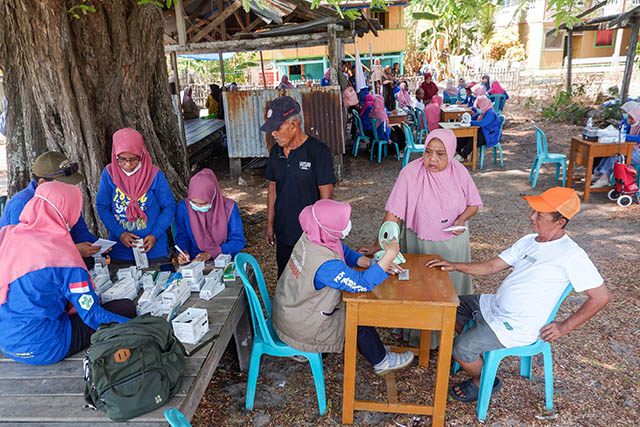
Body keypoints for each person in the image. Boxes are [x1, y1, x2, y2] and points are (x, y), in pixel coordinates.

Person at [426, 187, 610, 402]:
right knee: (450, 307)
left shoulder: (571, 255)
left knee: (461, 347)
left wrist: (564, 327)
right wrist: (454, 265)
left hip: (517, 325)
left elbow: (601, 296)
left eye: (540, 215)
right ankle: (476, 352)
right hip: (494, 306)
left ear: (560, 222)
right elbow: (493, 266)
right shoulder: (529, 240)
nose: (532, 217)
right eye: (533, 211)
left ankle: (484, 378)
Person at [360, 129, 482, 348]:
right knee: (417, 288)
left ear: (452, 153)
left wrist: (462, 219)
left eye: (440, 154)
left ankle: (451, 332)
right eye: (428, 152)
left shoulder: (460, 172)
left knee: (448, 289)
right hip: (419, 241)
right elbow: (393, 214)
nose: (432, 159)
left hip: (452, 244)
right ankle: (416, 333)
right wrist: (379, 246)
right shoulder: (410, 173)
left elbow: (473, 204)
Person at [272, 199, 414, 375]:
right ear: (328, 227)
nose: (347, 225)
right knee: (357, 313)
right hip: (301, 326)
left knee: (352, 307)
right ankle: (381, 361)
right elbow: (363, 283)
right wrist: (389, 255)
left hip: (292, 310)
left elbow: (343, 251)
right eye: (343, 222)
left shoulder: (313, 235)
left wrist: (373, 263)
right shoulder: (325, 265)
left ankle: (376, 352)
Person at [0, 182, 136, 365]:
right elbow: (92, 314)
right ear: (67, 212)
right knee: (125, 308)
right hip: (46, 347)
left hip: (8, 342)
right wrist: (137, 328)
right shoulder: (63, 255)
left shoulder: (8, 235)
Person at [262, 96, 336, 277]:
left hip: (308, 235)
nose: (273, 133)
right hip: (283, 230)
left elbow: (326, 198)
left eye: (277, 128)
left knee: (308, 280)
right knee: (285, 278)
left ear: (294, 125)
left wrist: (319, 234)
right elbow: (273, 189)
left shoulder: (318, 152)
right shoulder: (276, 152)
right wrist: (270, 225)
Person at [96, 128, 176, 265]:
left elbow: (169, 206)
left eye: (133, 159)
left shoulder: (154, 174)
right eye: (121, 159)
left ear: (141, 153)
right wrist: (119, 233)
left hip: (153, 249)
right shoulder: (109, 174)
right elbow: (102, 207)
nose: (128, 164)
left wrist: (155, 235)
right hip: (121, 249)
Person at [0, 152, 101, 259]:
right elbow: (25, 251)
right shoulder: (21, 204)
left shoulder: (64, 195)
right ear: (42, 182)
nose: (69, 186)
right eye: (63, 183)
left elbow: (79, 230)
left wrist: (97, 246)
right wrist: (74, 250)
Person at [174, 169, 245, 264]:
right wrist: (184, 252)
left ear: (213, 196)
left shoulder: (229, 207)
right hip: (195, 261)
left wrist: (212, 253)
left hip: (226, 260)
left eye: (203, 203)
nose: (198, 207)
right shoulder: (184, 208)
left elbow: (238, 241)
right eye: (194, 203)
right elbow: (182, 236)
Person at [592, 104, 640, 188]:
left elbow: (638, 139)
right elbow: (624, 129)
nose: (629, 120)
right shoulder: (633, 124)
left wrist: (624, 136)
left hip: (638, 154)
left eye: (631, 118)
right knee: (609, 152)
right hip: (631, 149)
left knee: (616, 155)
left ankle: (604, 178)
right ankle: (598, 173)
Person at [456, 95, 501, 162]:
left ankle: (462, 156)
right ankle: (457, 151)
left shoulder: (490, 113)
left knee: (474, 138)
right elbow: (473, 118)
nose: (478, 108)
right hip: (484, 132)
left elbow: (481, 124)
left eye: (479, 106)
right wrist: (466, 119)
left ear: (483, 105)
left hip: (490, 135)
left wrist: (469, 121)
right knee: (465, 136)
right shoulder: (483, 112)